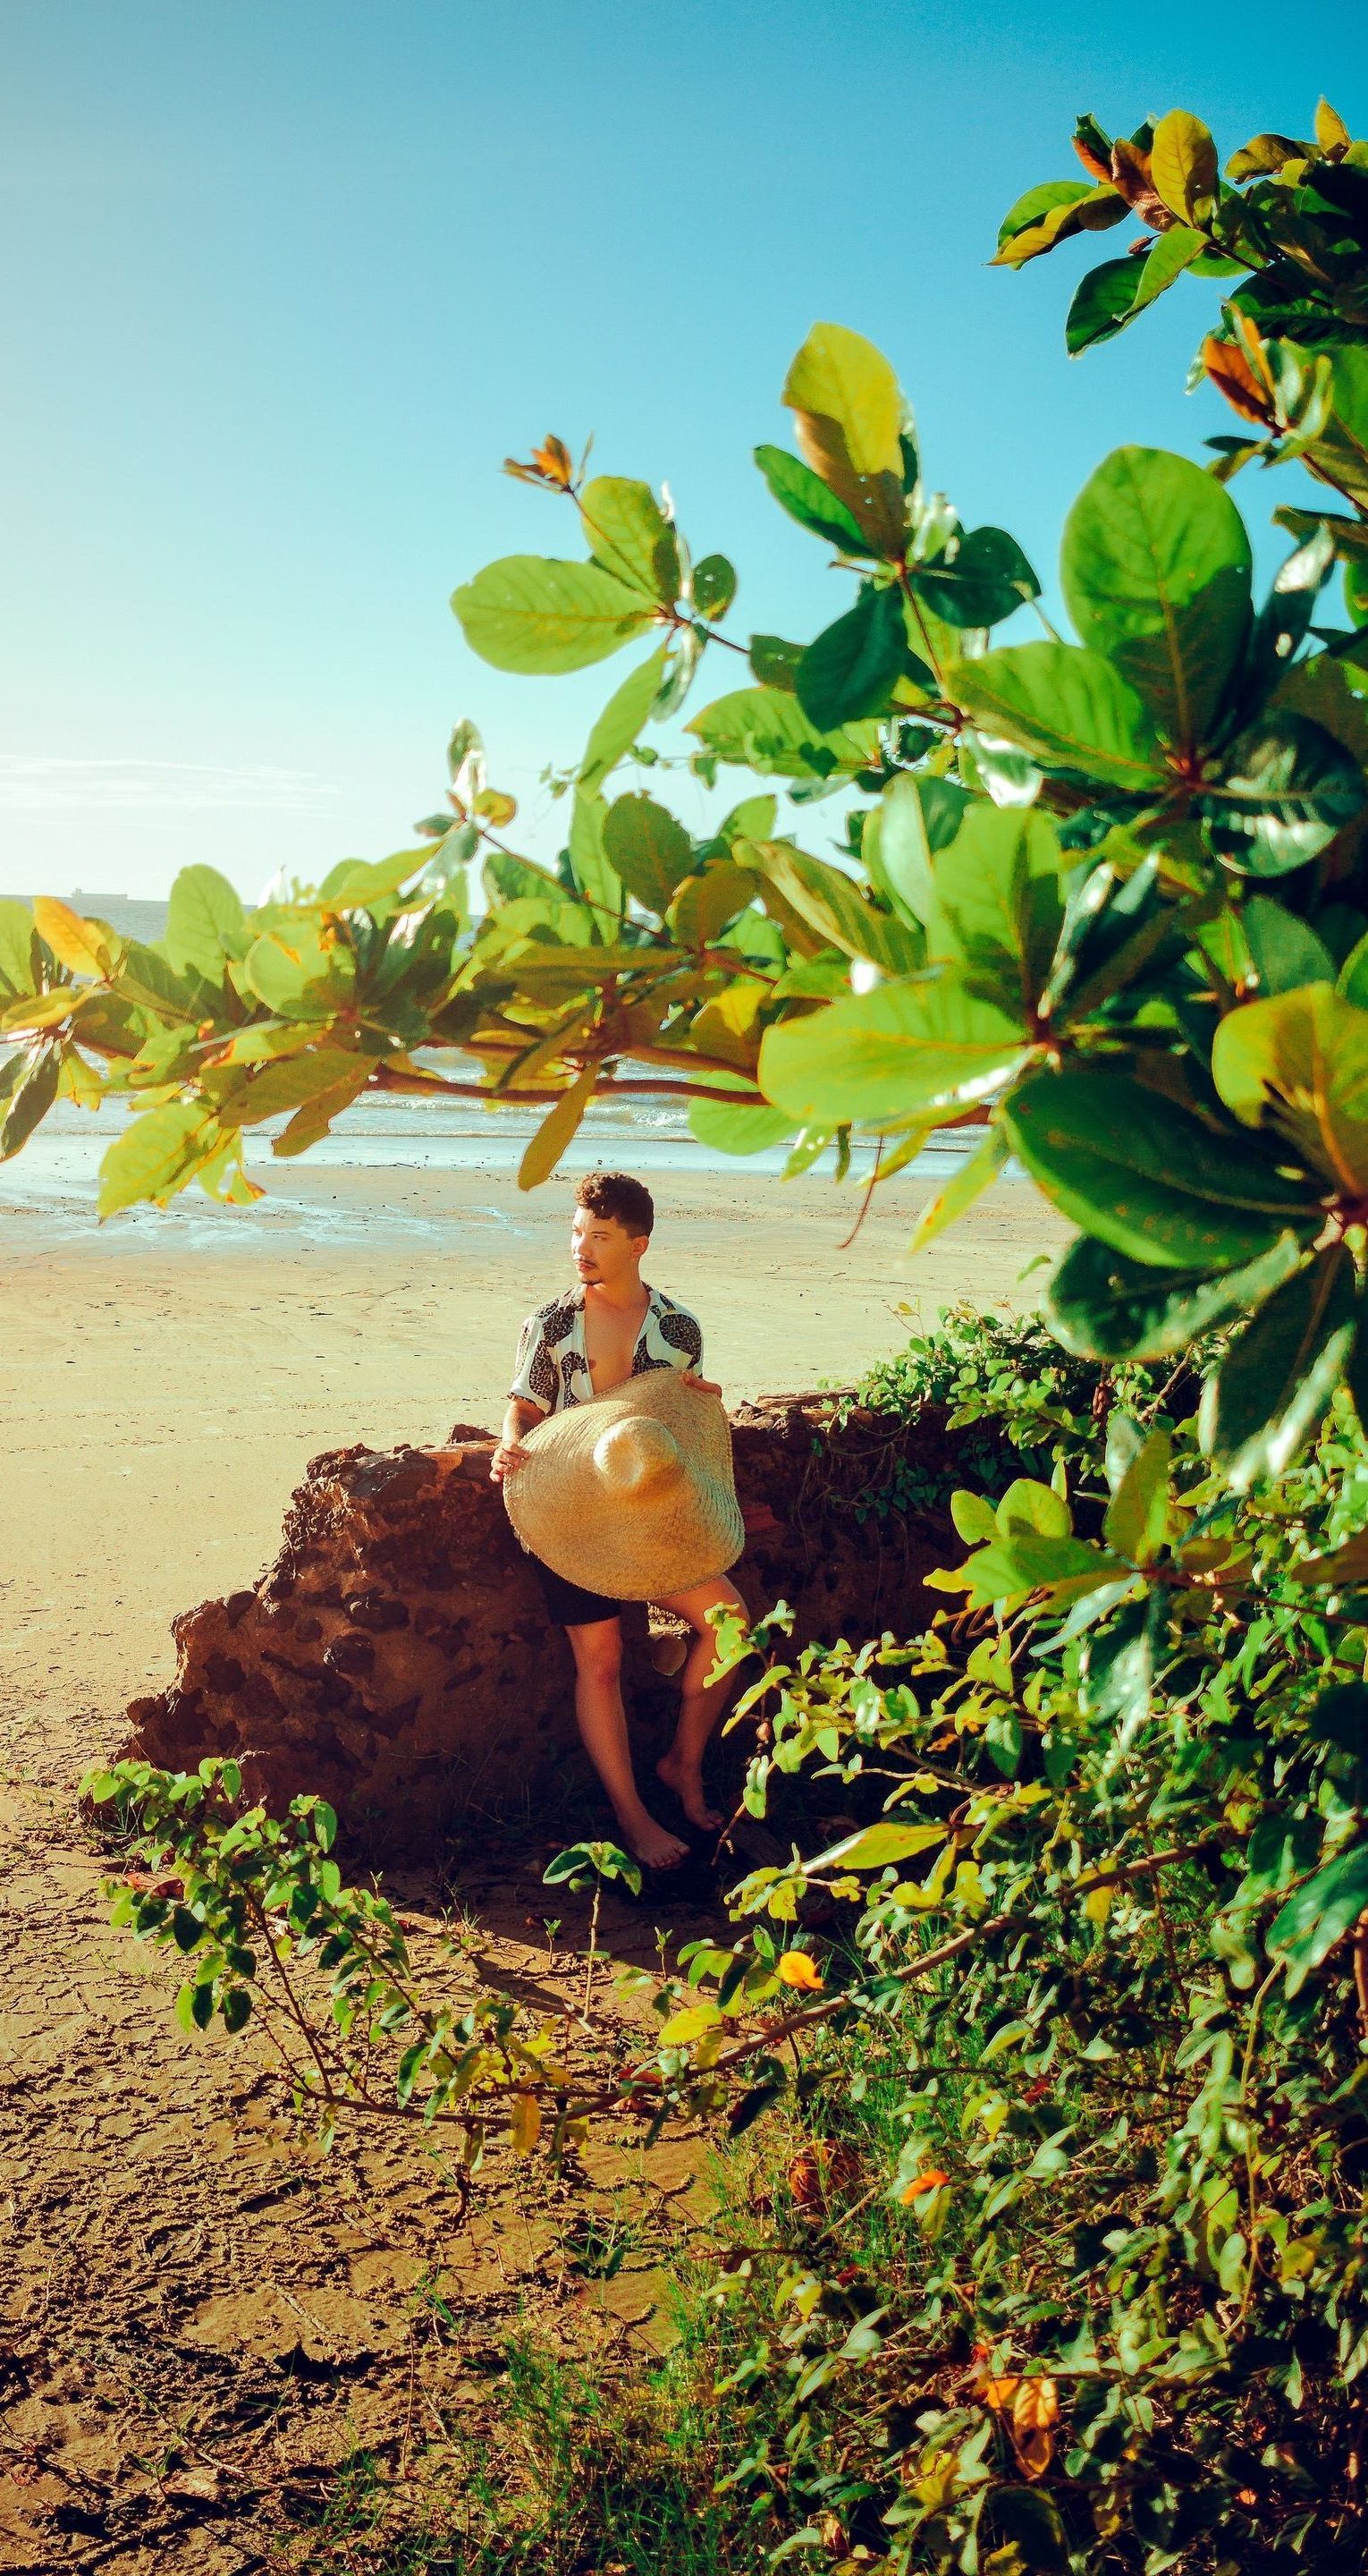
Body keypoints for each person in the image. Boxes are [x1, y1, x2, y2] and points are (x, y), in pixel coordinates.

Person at [491, 1169, 747, 1871]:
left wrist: (704, 1403)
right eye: (577, 1232)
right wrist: (510, 1435)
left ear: (639, 1244)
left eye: (599, 1236)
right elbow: (524, 1405)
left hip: (645, 1518)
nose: (582, 1247)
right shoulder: (550, 1324)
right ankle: (634, 1819)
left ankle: (683, 1765)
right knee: (599, 1661)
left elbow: (679, 1420)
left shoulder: (678, 1329)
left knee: (730, 1622)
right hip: (566, 1513)